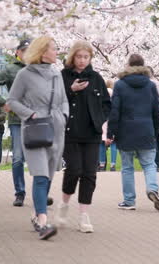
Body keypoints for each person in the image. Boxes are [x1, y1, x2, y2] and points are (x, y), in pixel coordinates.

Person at [7, 36, 69, 240]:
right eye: (54, 48)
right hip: (34, 129)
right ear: (43, 52)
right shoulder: (25, 74)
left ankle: (36, 213)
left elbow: (64, 101)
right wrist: (30, 114)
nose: (57, 52)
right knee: (40, 175)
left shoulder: (56, 74)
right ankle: (43, 222)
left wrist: (64, 116)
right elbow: (12, 101)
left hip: (56, 129)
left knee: (49, 175)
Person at [57, 40, 111, 233]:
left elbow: (106, 103)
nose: (82, 60)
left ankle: (83, 215)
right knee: (74, 169)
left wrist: (99, 120)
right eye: (79, 57)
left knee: (89, 173)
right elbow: (55, 100)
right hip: (69, 131)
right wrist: (71, 90)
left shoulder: (96, 78)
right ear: (73, 57)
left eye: (86, 57)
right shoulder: (62, 76)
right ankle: (63, 204)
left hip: (91, 133)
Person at [107, 54, 159, 211]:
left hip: (126, 131)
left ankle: (129, 201)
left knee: (127, 167)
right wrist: (155, 130)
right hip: (146, 130)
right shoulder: (150, 85)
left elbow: (115, 111)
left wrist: (110, 133)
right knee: (149, 164)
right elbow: (156, 112)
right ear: (143, 66)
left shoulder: (119, 85)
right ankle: (153, 189)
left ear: (128, 65)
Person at [0, 39, 30, 206]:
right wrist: (3, 103)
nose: (27, 53)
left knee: (40, 158)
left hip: (38, 120)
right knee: (17, 158)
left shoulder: (39, 68)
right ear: (17, 52)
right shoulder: (11, 70)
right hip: (17, 120)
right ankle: (20, 193)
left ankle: (41, 192)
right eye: (24, 50)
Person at [98, 79, 118, 172]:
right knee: (113, 143)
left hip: (103, 119)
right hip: (113, 119)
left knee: (102, 143)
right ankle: (112, 164)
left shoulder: (102, 93)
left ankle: (102, 164)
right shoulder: (115, 94)